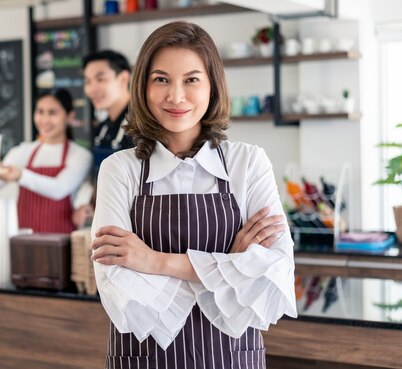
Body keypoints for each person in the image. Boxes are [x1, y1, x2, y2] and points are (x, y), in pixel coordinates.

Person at [90, 21, 297, 369]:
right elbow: (116, 284)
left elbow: (273, 273)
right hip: (144, 358)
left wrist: (154, 262)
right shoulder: (119, 169)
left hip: (230, 357)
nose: (176, 96)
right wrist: (228, 268)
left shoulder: (247, 163)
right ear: (142, 86)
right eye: (161, 79)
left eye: (191, 79)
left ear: (213, 86)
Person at [0, 89, 92, 234]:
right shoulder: (22, 151)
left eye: (52, 113)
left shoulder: (80, 155)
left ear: (69, 116)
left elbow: (58, 190)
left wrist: (20, 175)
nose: (44, 120)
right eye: (40, 112)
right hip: (23, 239)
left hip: (61, 241)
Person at [73, 50, 135, 227]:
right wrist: (90, 205)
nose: (92, 89)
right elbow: (99, 178)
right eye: (87, 81)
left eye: (100, 79)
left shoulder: (142, 125)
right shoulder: (102, 128)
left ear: (123, 78)